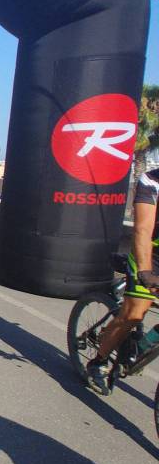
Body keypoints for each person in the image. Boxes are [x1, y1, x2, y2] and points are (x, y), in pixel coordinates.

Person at [84, 168, 159, 394]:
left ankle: (140, 346)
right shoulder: (151, 181)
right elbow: (143, 229)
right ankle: (98, 361)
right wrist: (145, 273)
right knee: (134, 313)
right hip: (150, 255)